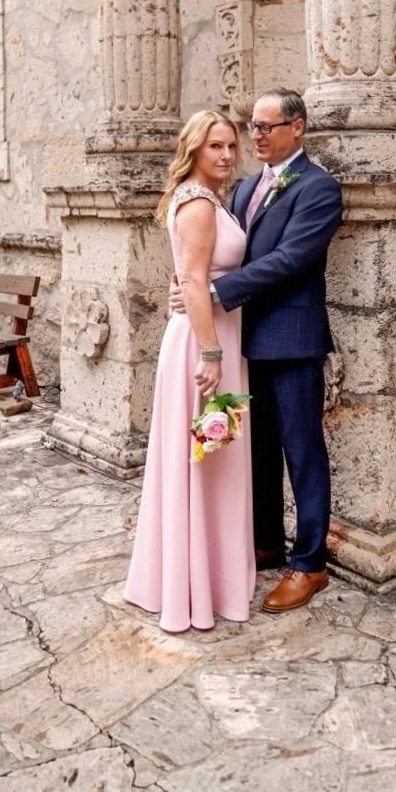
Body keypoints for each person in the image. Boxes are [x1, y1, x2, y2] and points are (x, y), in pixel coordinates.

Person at [171, 87, 342, 613]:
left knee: (302, 451)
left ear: (299, 128)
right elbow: (209, 251)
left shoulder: (319, 188)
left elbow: (291, 259)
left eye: (268, 126)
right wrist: (192, 288)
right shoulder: (242, 188)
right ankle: (266, 541)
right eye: (254, 127)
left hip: (290, 343)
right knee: (257, 451)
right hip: (241, 342)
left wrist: (217, 292)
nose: (258, 136)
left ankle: (310, 564)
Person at [124, 111, 255, 633]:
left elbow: (187, 277)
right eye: (214, 146)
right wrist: (211, 353)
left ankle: (207, 579)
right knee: (209, 458)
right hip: (205, 346)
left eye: (230, 146)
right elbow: (196, 282)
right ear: (194, 149)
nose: (225, 155)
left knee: (214, 459)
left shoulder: (205, 198)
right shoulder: (199, 203)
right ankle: (197, 589)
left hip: (213, 336)